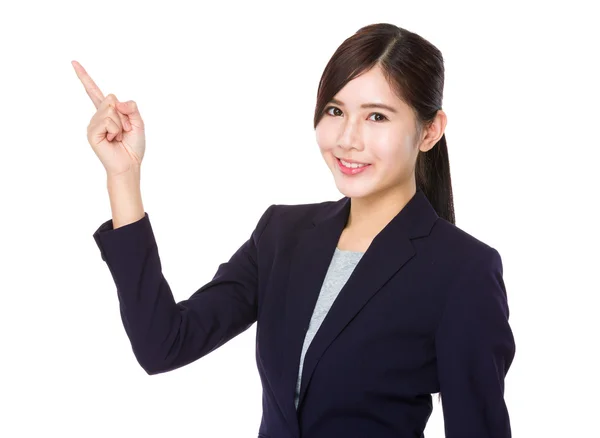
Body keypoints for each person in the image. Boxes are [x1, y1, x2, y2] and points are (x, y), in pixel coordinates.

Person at [75, 22, 515, 438]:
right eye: (335, 110)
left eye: (377, 117)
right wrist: (123, 178)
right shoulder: (282, 234)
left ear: (429, 131)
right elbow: (163, 345)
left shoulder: (463, 271)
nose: (348, 138)